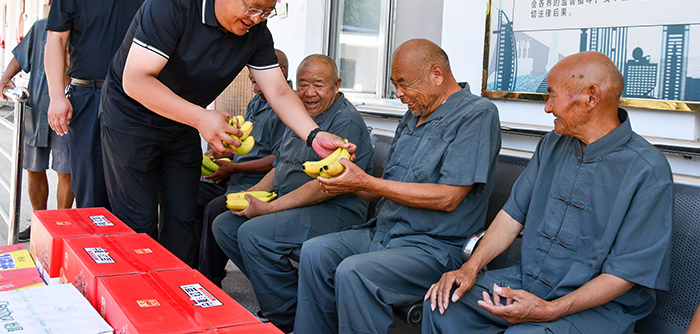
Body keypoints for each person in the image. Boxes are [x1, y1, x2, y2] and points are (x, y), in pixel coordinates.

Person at [100, 0, 354, 268]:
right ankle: (134, 302)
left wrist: (313, 135)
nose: (255, 19)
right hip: (131, 119)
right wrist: (201, 117)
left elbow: (277, 89)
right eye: (250, 8)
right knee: (137, 220)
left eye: (266, 12)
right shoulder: (173, 4)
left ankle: (177, 299)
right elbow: (136, 81)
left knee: (183, 217)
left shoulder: (255, 32)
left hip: (180, 124)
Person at [423, 51, 674, 334]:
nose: (548, 108)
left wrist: (550, 309)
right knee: (442, 303)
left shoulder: (647, 171)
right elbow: (511, 216)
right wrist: (470, 267)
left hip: (597, 307)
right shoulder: (552, 145)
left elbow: (624, 275)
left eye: (553, 96)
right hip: (527, 280)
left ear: (591, 97)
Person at [294, 39, 502, 334]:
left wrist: (366, 180)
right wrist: (346, 179)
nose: (399, 94)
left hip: (433, 247)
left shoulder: (477, 114)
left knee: (355, 273)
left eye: (404, 84)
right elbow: (382, 188)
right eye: (395, 84)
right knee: (315, 252)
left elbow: (448, 198)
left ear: (436, 74)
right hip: (384, 232)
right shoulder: (414, 113)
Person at [212, 54, 373, 333]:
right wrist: (251, 195)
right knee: (225, 224)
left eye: (319, 85)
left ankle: (285, 317)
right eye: (303, 84)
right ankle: (289, 298)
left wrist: (268, 209)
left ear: (337, 84)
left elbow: (323, 186)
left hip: (334, 210)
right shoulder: (300, 114)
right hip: (291, 203)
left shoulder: (345, 121)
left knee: (254, 234)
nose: (310, 93)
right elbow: (280, 165)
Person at [45, 0, 161, 209]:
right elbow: (56, 41)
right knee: (90, 191)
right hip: (88, 99)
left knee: (134, 190)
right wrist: (57, 96)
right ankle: (92, 253)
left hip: (137, 101)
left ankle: (128, 255)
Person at [197, 49, 290, 283]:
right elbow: (247, 146)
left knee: (215, 209)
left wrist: (234, 168)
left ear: (280, 72)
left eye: (255, 78)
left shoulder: (288, 107)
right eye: (250, 79)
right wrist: (225, 153)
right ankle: (191, 264)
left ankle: (210, 278)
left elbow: (277, 160)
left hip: (257, 184)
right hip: (235, 175)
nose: (253, 84)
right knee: (190, 190)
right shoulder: (257, 100)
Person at [0, 18, 73, 241]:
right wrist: (4, 77)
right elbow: (21, 56)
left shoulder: (87, 27)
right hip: (37, 105)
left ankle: (61, 227)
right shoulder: (42, 26)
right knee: (34, 167)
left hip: (69, 109)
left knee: (66, 170)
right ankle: (39, 223)